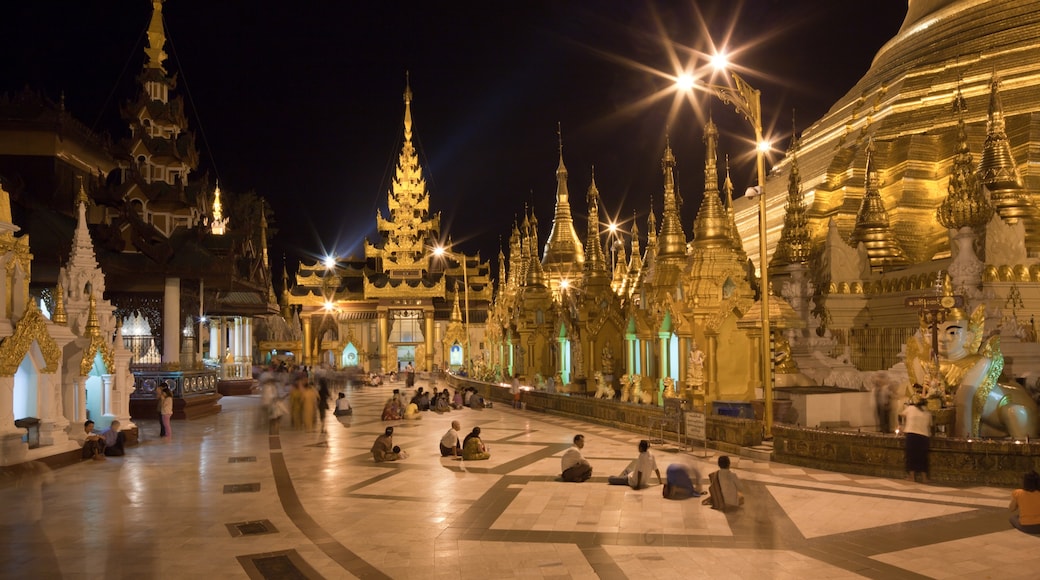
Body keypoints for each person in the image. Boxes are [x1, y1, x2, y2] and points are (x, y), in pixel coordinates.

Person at [900, 391, 932, 483]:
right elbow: (930, 425)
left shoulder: (911, 408)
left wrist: (901, 425)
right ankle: (924, 478)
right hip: (924, 436)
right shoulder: (927, 412)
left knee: (911, 456)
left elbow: (901, 414)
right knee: (923, 457)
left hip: (912, 434)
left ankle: (912, 477)